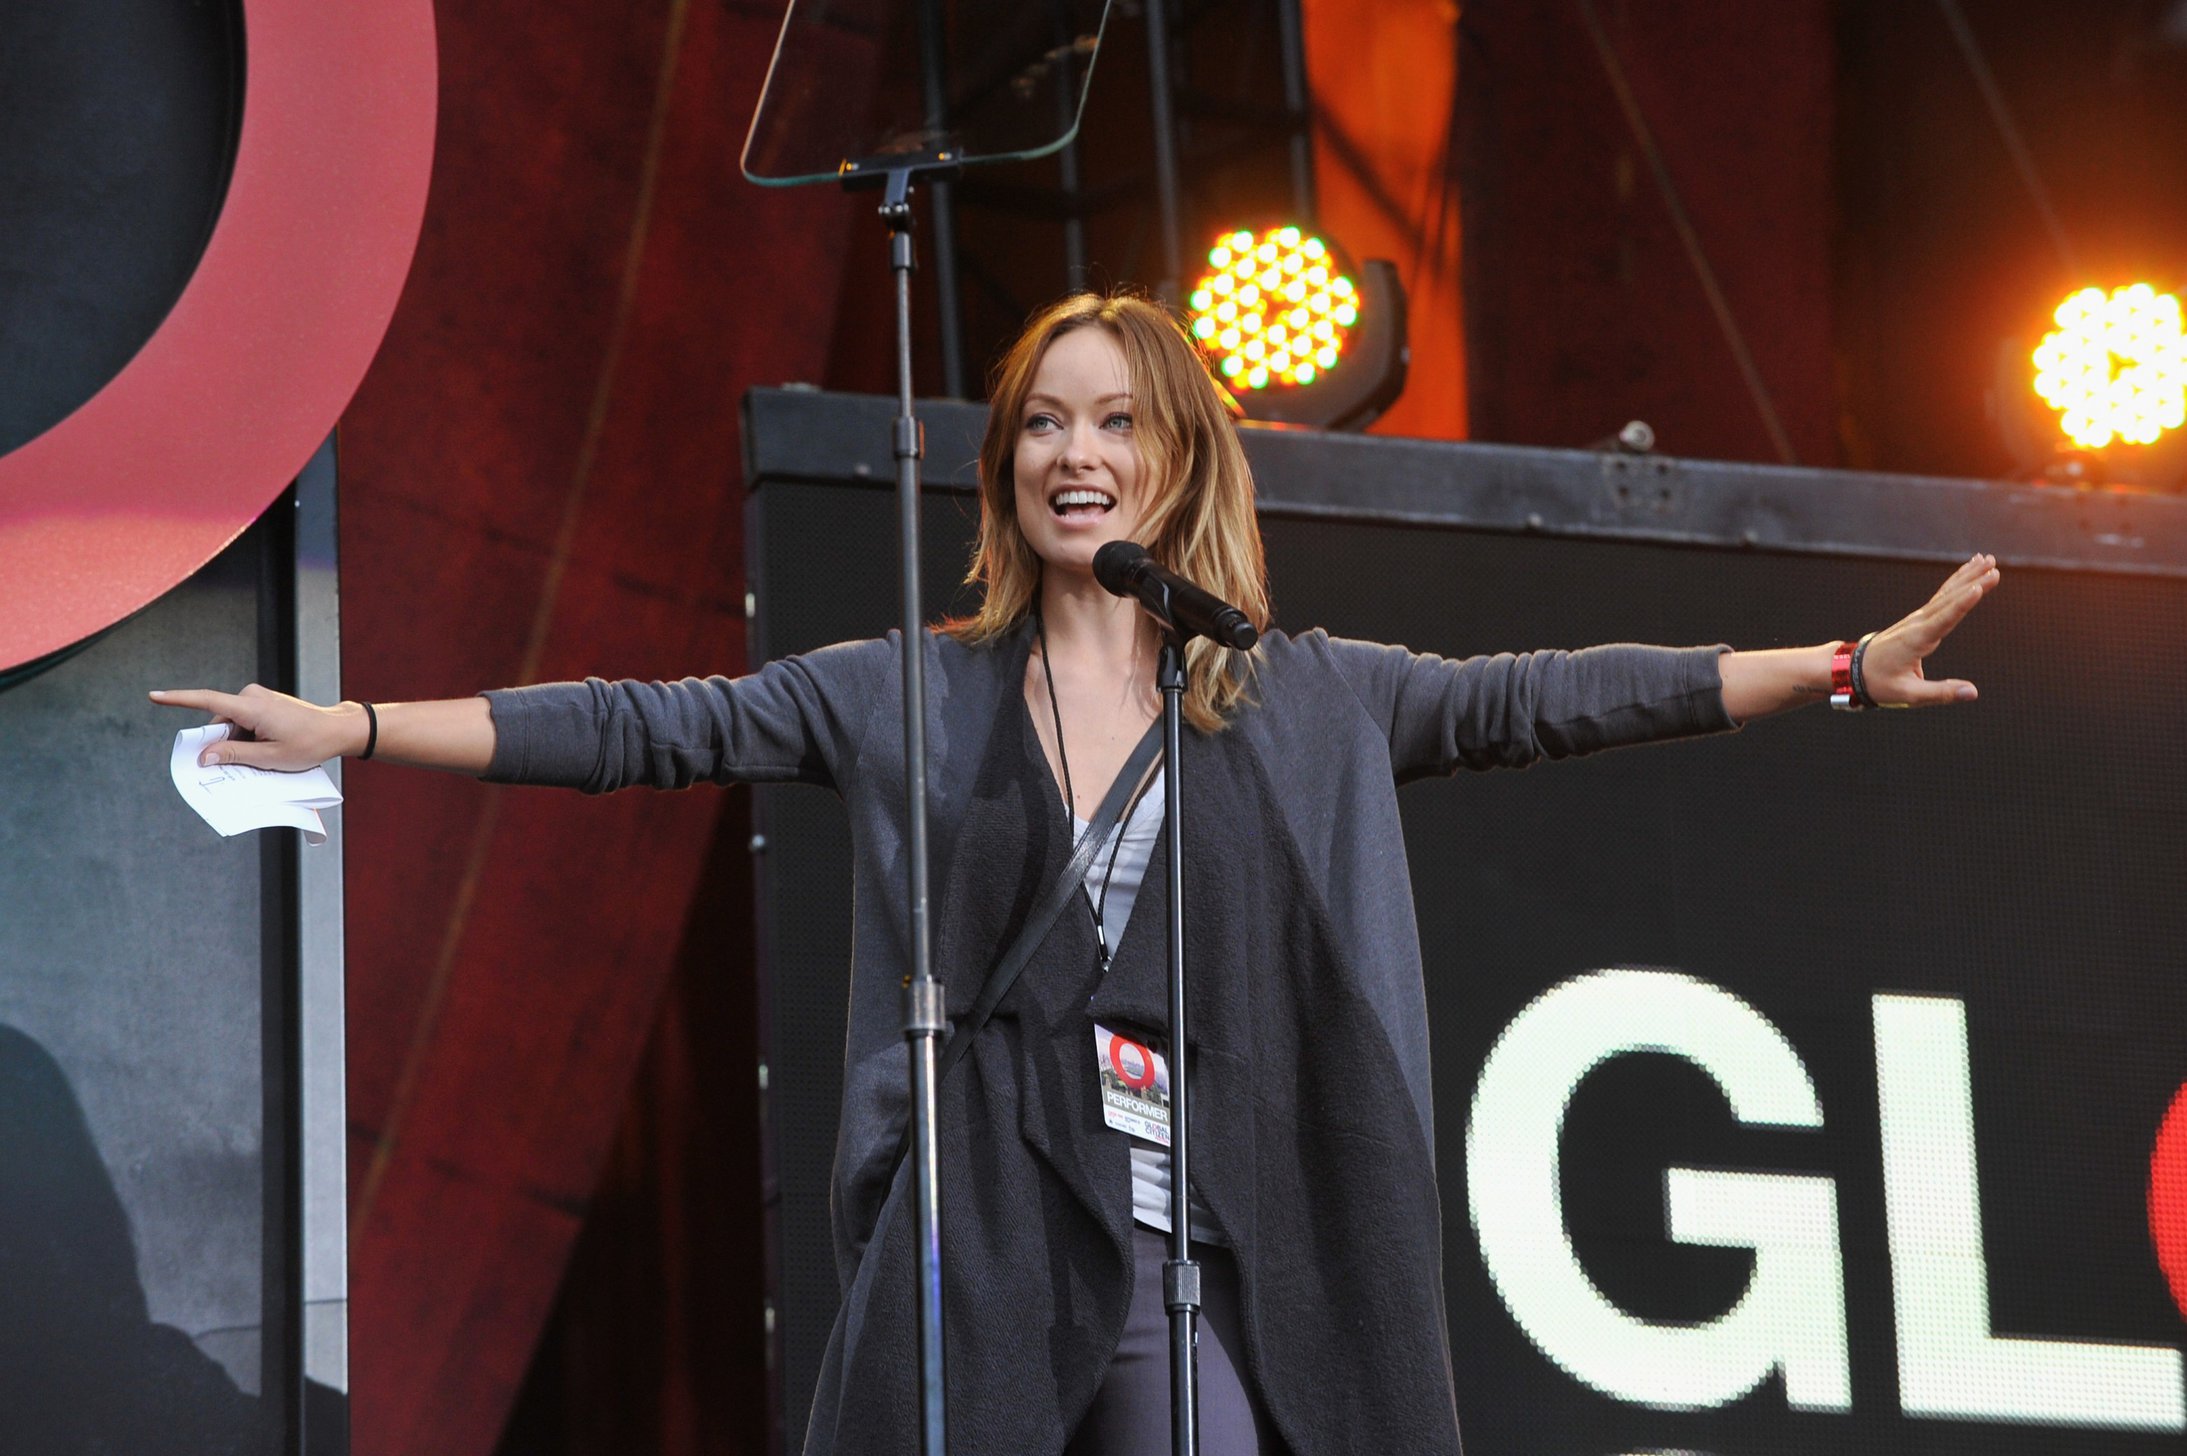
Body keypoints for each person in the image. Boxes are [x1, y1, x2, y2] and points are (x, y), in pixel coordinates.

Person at [152, 292, 2000, 1455]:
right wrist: (363, 727)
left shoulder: (1296, 699)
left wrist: (1836, 669)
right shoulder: (913, 692)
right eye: (1044, 419)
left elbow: (1548, 703)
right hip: (998, 1252)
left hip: (1219, 1252)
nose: (1075, 452)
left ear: (1179, 458)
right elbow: (652, 726)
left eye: (1115, 420)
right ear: (1004, 466)